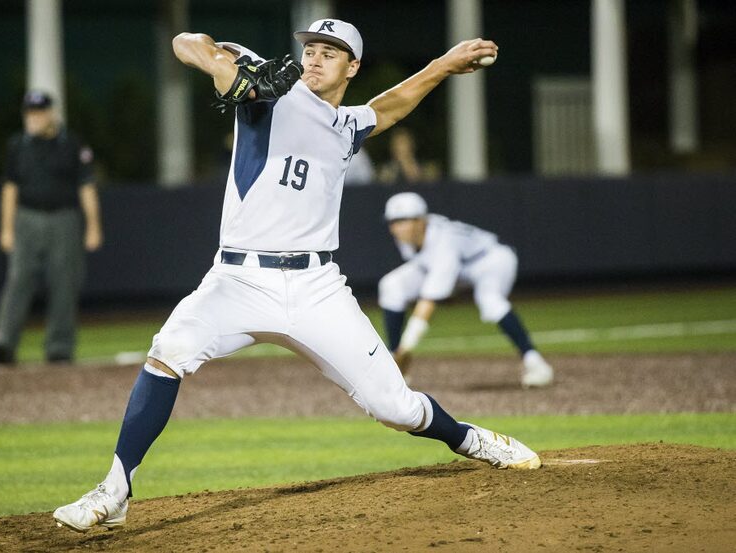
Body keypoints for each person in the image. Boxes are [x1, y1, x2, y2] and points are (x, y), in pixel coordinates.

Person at [53, 19, 540, 533]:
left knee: (395, 408)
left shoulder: (348, 126)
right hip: (237, 280)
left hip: (317, 288)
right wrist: (230, 70)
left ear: (352, 67)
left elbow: (391, 105)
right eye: (310, 48)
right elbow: (189, 45)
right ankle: (116, 488)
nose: (314, 58)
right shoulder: (268, 88)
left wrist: (442, 65)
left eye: (330, 52)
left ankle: (467, 438)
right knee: (169, 350)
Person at [379, 192, 554, 388]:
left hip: (490, 260)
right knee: (391, 285)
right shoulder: (410, 237)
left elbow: (428, 303)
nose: (395, 228)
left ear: (420, 221)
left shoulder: (443, 244)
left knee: (490, 301)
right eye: (392, 222)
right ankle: (395, 366)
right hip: (459, 267)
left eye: (402, 221)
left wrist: (407, 347)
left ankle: (536, 363)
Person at [0, 90, 103, 364]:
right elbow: (10, 189)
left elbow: (86, 187)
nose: (33, 118)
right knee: (18, 280)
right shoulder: (18, 145)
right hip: (27, 219)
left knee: (64, 283)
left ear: (51, 113)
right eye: (29, 112)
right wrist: (6, 228)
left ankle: (59, 346)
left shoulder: (71, 144)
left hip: (64, 219)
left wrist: (93, 226)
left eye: (38, 112)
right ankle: (3, 342)